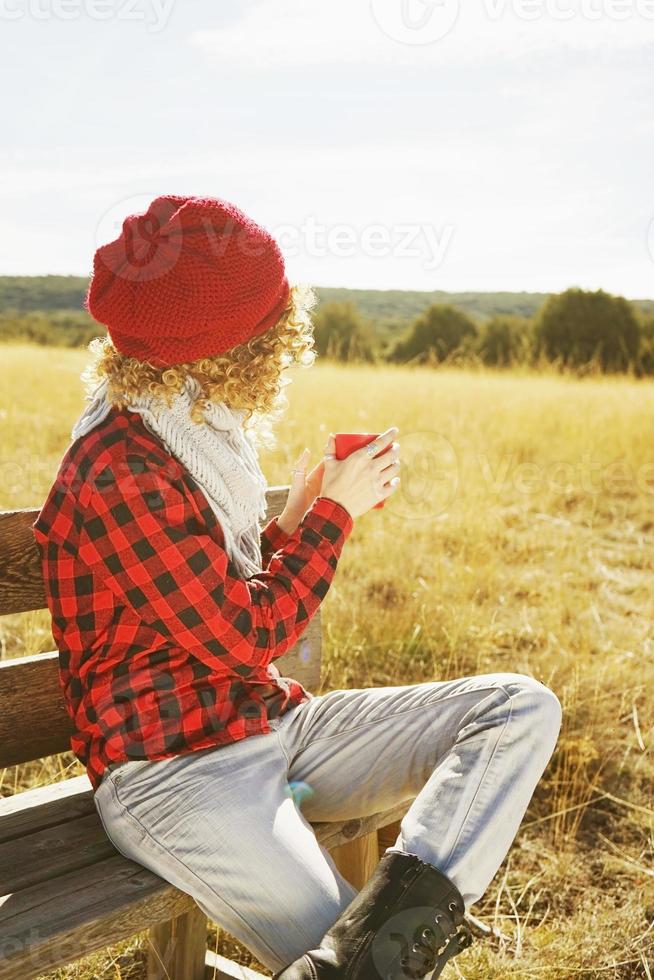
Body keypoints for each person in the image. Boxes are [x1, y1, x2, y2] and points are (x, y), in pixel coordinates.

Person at [32, 194, 562, 980]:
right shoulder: (118, 467)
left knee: (518, 708)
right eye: (271, 325)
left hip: (267, 723)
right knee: (377, 971)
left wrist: (295, 520)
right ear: (227, 347)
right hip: (176, 773)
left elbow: (205, 597)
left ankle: (381, 942)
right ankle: (377, 955)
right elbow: (246, 635)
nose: (284, 340)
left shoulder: (193, 429)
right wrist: (334, 519)